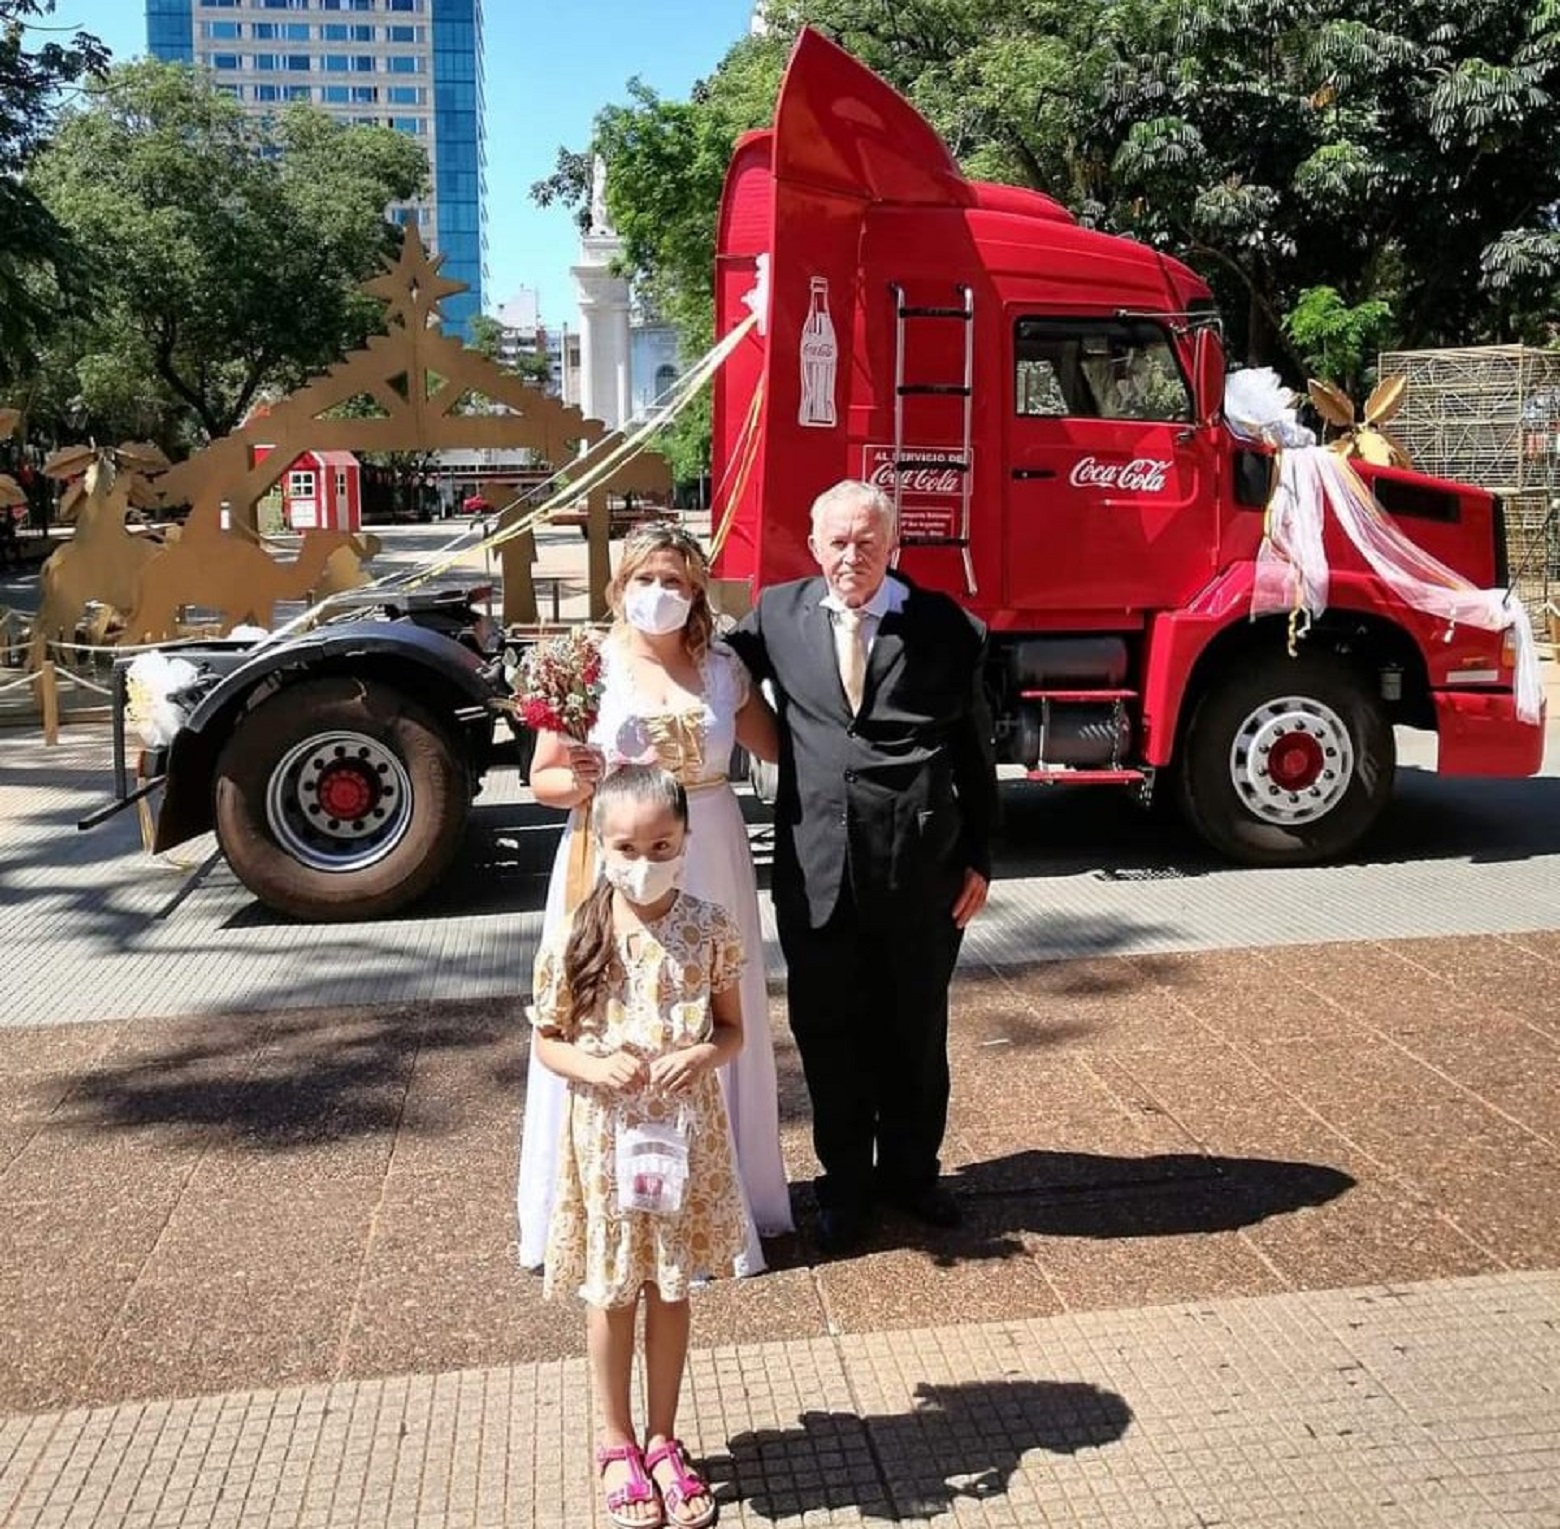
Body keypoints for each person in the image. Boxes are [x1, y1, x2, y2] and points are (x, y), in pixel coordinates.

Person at [727, 480, 996, 1254]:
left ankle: (912, 1174)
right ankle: (843, 1184)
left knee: (914, 1031)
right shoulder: (776, 615)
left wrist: (981, 855)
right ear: (814, 545)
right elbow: (701, 670)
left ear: (894, 547)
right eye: (838, 542)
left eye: (868, 543)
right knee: (829, 1032)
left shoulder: (949, 626)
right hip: (817, 871)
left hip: (922, 872)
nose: (852, 555)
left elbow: (978, 756)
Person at [518, 521, 794, 1274]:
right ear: (619, 587)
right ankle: (605, 1194)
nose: (658, 594)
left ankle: (718, 1197)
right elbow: (542, 778)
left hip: (709, 846)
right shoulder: (583, 666)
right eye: (643, 579)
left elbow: (780, 747)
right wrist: (576, 779)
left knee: (710, 1007)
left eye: (673, 580)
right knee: (612, 1010)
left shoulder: (722, 668)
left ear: (696, 588)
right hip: (614, 855)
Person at [531, 764, 742, 1528]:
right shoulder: (577, 931)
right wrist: (594, 1064)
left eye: (662, 842)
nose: (644, 858)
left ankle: (663, 1437)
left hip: (682, 1137)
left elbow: (733, 1029)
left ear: (686, 838)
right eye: (627, 844)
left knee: (672, 1285)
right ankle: (616, 1438)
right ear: (602, 842)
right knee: (613, 1285)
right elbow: (548, 1041)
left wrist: (703, 1055)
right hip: (608, 1138)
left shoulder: (711, 925)